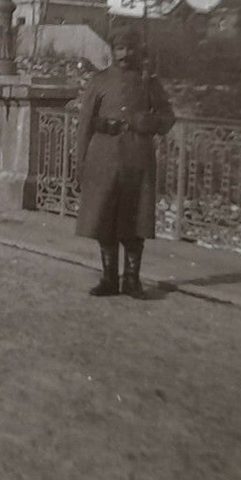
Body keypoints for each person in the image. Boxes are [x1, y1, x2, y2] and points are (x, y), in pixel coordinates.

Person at [69, 27, 175, 297]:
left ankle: (131, 280)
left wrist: (148, 122)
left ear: (138, 50)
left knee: (135, 218)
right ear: (112, 51)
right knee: (104, 216)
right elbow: (84, 126)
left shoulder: (149, 83)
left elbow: (168, 117)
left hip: (137, 158)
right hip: (103, 156)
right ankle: (109, 279)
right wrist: (80, 164)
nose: (125, 54)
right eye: (120, 48)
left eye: (130, 48)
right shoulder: (99, 81)